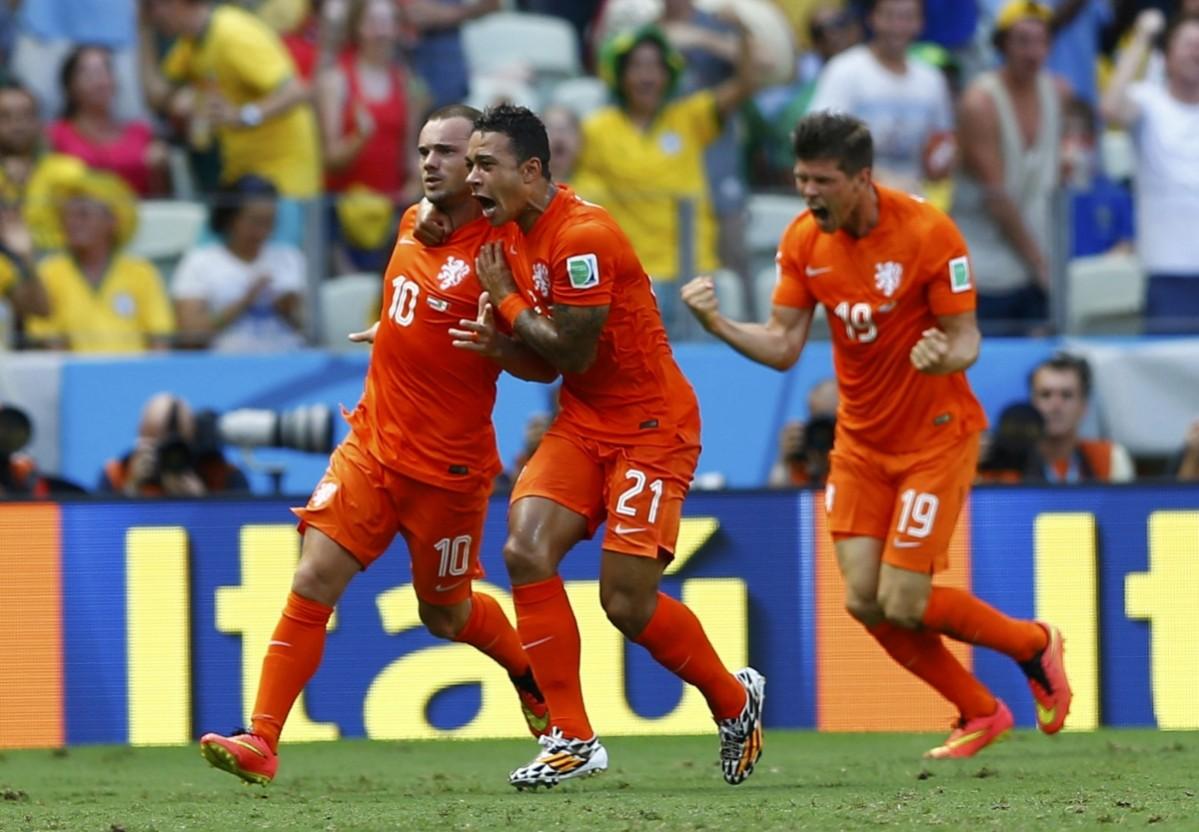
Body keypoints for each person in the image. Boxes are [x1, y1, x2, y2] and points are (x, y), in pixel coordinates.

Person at [681, 111, 1072, 760]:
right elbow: (782, 345)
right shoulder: (804, 240)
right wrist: (717, 323)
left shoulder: (927, 232)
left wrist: (943, 357)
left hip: (933, 439)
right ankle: (977, 710)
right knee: (864, 602)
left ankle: (1033, 644)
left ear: (861, 179)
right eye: (801, 179)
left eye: (822, 181)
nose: (807, 193)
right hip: (860, 445)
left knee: (902, 598)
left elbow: (967, 337)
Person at [197, 104, 558, 787]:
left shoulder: (499, 249)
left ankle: (525, 673)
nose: (431, 163)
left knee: (444, 613)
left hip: (448, 468)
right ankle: (261, 740)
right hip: (371, 443)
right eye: (424, 150)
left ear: (482, 165)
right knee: (312, 578)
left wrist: (502, 344)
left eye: (450, 153)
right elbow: (412, 303)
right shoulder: (411, 224)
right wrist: (391, 331)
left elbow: (544, 363)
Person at [430, 103, 765, 789]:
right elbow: (546, 367)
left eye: (483, 165)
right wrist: (503, 341)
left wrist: (508, 306)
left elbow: (574, 351)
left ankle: (734, 701)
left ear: (530, 170)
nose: (471, 179)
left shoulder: (582, 236)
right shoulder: (509, 228)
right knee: (524, 549)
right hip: (584, 422)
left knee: (626, 603)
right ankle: (571, 736)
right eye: (467, 166)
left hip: (651, 427)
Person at [573, 22, 760, 332]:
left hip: (692, 273)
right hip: (628, 277)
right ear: (620, 75)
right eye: (637, 67)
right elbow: (583, 195)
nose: (647, 76)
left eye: (655, 67)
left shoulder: (689, 118)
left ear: (668, 74)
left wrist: (743, 30)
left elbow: (748, 83)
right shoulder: (597, 128)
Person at [951, 1, 1067, 333]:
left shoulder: (1056, 92)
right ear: (1001, 44)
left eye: (1041, 41)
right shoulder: (981, 102)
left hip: (1035, 263)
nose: (1033, 52)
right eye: (1022, 41)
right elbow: (996, 197)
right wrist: (1042, 265)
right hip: (985, 268)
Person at [142, 0, 321, 198]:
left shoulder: (232, 34)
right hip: (242, 172)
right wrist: (143, 30)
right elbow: (156, 96)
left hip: (284, 174)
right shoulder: (190, 43)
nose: (151, 16)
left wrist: (243, 116)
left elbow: (296, 91)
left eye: (152, 6)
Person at [1101, 11, 1199, 332]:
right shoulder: (1149, 100)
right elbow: (1110, 107)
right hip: (1168, 268)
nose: (1196, 51)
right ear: (1166, 57)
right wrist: (1142, 36)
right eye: (1187, 44)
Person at [317, 0, 424, 272]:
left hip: (390, 215)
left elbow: (408, 154)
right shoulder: (336, 81)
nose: (382, 31)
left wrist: (417, 181)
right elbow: (330, 159)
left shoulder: (405, 81)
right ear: (357, 28)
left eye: (388, 22)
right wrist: (360, 139)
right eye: (373, 22)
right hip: (342, 215)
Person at [808, 0, 956, 195]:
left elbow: (942, 141)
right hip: (854, 202)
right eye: (889, 16)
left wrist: (942, 160)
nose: (897, 26)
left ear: (920, 23)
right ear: (872, 18)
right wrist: (875, 177)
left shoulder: (931, 79)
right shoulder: (844, 70)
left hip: (912, 203)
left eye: (907, 17)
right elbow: (819, 140)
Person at [24, 171, 175, 353]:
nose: (72, 222)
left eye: (83, 215)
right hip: (73, 376)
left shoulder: (141, 272)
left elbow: (159, 338)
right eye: (67, 216)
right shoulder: (49, 271)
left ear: (113, 220)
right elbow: (46, 338)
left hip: (134, 376)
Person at [172, 175, 307, 352]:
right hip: (225, 368)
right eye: (255, 223)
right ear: (230, 219)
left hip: (290, 361)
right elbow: (190, 337)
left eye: (269, 223)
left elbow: (313, 332)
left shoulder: (291, 258)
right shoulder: (199, 263)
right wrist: (245, 301)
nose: (262, 232)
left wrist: (287, 310)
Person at [49, 44, 168, 196]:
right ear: (70, 85)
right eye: (88, 73)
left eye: (105, 71)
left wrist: (159, 171)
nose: (99, 81)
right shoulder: (55, 135)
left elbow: (162, 196)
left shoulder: (141, 133)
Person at [97, 393, 249, 497]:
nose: (167, 455)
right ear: (140, 438)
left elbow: (237, 536)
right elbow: (99, 536)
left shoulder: (224, 476)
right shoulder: (116, 475)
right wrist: (131, 490)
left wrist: (202, 503)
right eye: (156, 446)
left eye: (176, 447)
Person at [1028, 352, 1134, 482]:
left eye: (1067, 395)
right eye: (1045, 395)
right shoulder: (1009, 463)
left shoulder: (1110, 458)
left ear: (1084, 407)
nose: (1055, 406)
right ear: (1031, 403)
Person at [767, 377, 838, 488]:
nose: (827, 433)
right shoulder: (801, 462)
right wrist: (784, 461)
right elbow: (776, 502)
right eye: (821, 423)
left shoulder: (865, 458)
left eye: (835, 422)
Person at [976, 401, 1046, 483]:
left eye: (1029, 431)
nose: (1019, 435)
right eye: (1012, 429)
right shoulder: (986, 456)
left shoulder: (1036, 462)